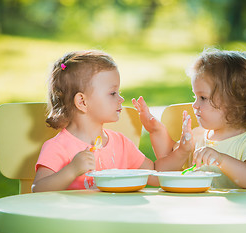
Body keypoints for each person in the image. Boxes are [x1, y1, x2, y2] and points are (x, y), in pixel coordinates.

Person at [133, 48, 246, 190]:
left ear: (234, 103)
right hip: (203, 211)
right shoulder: (198, 136)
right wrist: (155, 129)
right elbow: (168, 161)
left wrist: (221, 159)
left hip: (243, 211)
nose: (195, 105)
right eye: (195, 97)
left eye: (203, 98)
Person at [32, 50, 158, 192]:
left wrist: (181, 150)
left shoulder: (121, 144)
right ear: (82, 102)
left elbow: (156, 175)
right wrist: (72, 170)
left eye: (119, 93)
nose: (121, 99)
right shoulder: (58, 147)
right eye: (112, 93)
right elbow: (38, 189)